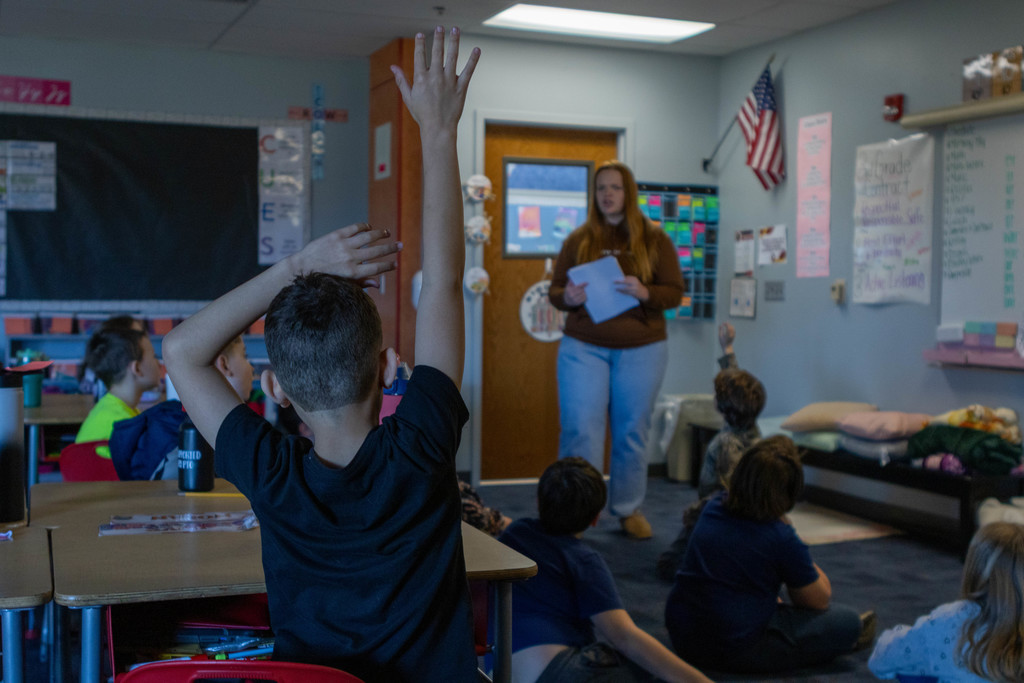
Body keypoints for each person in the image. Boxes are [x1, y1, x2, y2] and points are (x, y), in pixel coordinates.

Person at [162, 26, 479, 683]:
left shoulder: (270, 471)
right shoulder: (421, 447)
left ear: (275, 388)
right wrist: (440, 131)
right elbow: (445, 283)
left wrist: (298, 264)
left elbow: (182, 349)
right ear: (388, 368)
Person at [548, 161, 685, 539]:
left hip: (642, 348)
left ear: (629, 193)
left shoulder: (655, 239)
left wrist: (645, 291)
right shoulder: (578, 239)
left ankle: (628, 509)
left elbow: (674, 292)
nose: (607, 194)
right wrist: (568, 297)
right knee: (580, 430)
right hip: (584, 347)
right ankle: (575, 512)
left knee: (631, 432)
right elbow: (555, 291)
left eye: (615, 187)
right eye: (601, 188)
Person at [665, 436, 874, 674]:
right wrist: (792, 539)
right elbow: (819, 599)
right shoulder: (779, 536)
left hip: (682, 634)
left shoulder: (713, 507)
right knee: (848, 622)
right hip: (733, 648)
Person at [499, 457, 713, 683]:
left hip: (499, 670)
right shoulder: (584, 560)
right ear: (596, 518)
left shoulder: (514, 532)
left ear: (538, 502)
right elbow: (624, 637)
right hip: (560, 672)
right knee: (649, 670)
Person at [656, 323, 765, 580]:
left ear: (723, 406)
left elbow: (727, 497)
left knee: (670, 565)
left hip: (718, 517)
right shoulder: (751, 428)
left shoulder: (726, 444)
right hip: (744, 518)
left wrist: (695, 513)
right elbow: (735, 385)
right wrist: (727, 348)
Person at [868, 521, 1024, 683]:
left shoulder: (950, 621)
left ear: (974, 570)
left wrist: (902, 634)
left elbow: (881, 660)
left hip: (930, 643)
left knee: (917, 667)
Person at [109, 335, 254, 480]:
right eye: (245, 356)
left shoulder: (177, 424)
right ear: (224, 364)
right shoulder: (190, 434)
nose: (252, 368)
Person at [75, 324, 162, 458]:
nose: (159, 364)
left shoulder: (111, 408)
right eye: (154, 356)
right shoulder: (124, 424)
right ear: (137, 368)